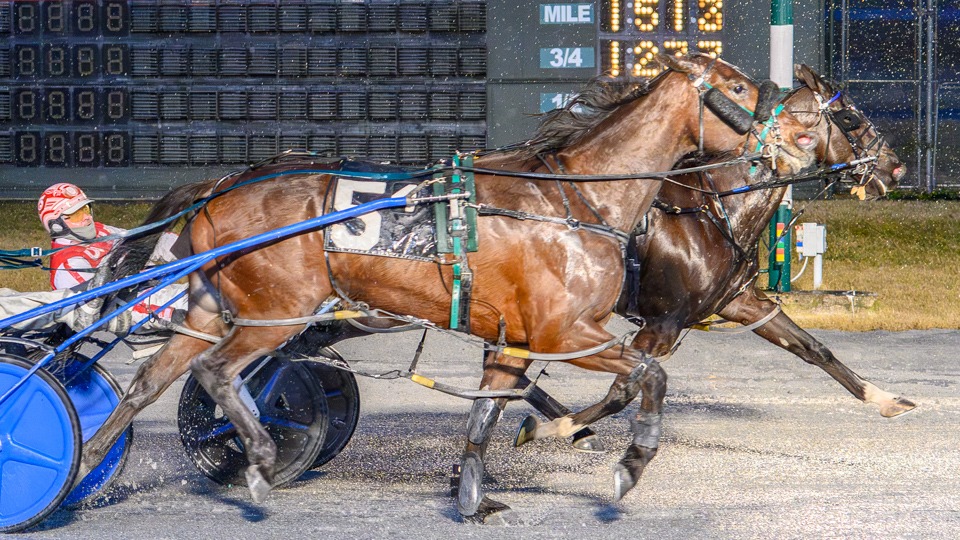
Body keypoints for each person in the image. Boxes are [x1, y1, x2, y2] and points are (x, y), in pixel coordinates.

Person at [0, 183, 186, 336]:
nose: (87, 217)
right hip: (142, 308)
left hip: (153, 289)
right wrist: (168, 313)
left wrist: (193, 244)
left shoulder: (99, 231)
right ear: (56, 224)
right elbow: (104, 308)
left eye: (86, 209)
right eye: (77, 214)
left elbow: (144, 242)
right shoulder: (67, 263)